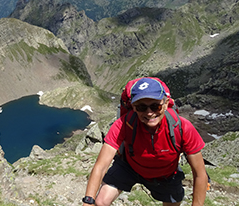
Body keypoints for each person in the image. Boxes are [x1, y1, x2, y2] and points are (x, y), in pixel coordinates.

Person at [82, 77, 207, 206]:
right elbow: (101, 166)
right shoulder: (124, 124)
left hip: (166, 175)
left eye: (155, 106)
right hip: (130, 167)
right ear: (133, 107)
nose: (149, 113)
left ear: (165, 104)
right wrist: (88, 201)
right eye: (141, 107)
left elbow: (200, 174)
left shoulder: (182, 127)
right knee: (101, 202)